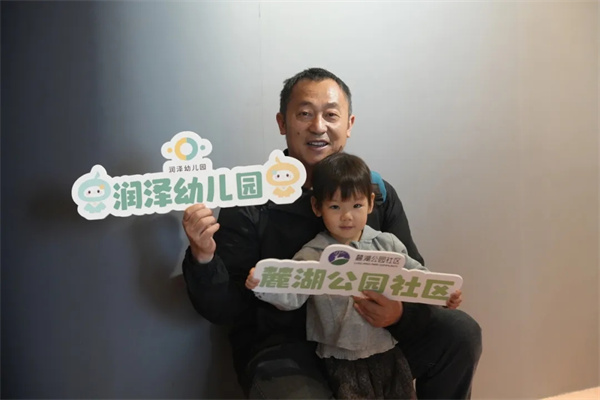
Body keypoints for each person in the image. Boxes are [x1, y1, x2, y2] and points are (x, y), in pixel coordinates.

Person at [182, 67, 482, 399]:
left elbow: (411, 274)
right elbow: (224, 310)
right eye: (305, 114)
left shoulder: (376, 193)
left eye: (331, 115)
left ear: (349, 125)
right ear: (282, 123)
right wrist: (203, 257)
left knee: (459, 332)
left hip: (373, 337)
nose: (318, 126)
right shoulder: (251, 201)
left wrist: (399, 314)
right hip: (285, 349)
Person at [245, 152, 461, 399]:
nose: (347, 216)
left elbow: (417, 278)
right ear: (317, 207)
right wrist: (265, 285)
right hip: (339, 359)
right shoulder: (313, 254)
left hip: (388, 351)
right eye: (335, 207)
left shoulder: (387, 245)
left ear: (370, 203)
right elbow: (292, 296)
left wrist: (443, 295)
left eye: (356, 206)